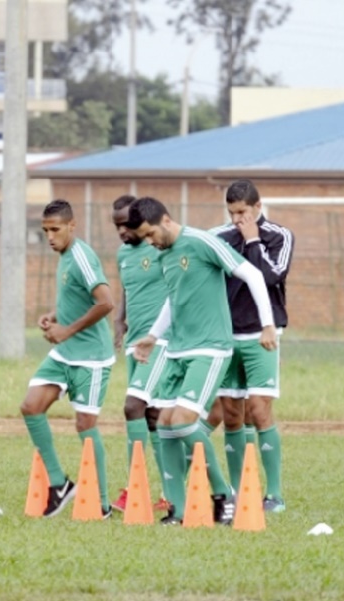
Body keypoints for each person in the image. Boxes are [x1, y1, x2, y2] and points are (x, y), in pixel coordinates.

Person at [127, 196, 277, 526]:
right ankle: (178, 512)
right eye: (145, 239)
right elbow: (174, 298)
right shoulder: (165, 254)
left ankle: (224, 494)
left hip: (210, 349)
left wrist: (267, 324)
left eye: (151, 234)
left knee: (182, 421)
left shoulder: (202, 241)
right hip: (178, 349)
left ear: (166, 220)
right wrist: (153, 335)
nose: (150, 243)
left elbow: (252, 275)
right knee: (164, 422)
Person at [20, 200, 116, 518]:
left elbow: (106, 302)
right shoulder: (63, 256)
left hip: (92, 357)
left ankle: (101, 504)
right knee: (31, 406)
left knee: (85, 424)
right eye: (45, 230)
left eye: (55, 230)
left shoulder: (82, 256)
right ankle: (60, 484)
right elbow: (78, 299)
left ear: (72, 226)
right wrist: (55, 317)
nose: (49, 236)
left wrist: (67, 330)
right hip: (65, 353)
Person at [207, 180, 293, 513]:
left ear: (257, 207)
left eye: (242, 212)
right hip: (226, 336)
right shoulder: (219, 237)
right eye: (231, 213)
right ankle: (240, 491)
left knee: (259, 410)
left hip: (263, 335)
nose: (236, 220)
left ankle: (273, 494)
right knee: (231, 415)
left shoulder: (280, 236)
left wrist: (253, 240)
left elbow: (271, 278)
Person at [109, 196, 171, 514]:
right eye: (116, 225)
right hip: (135, 342)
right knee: (152, 416)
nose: (121, 230)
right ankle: (169, 491)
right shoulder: (123, 254)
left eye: (126, 224)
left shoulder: (158, 247)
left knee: (133, 406)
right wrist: (119, 321)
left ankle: (136, 487)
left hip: (159, 342)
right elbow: (126, 289)